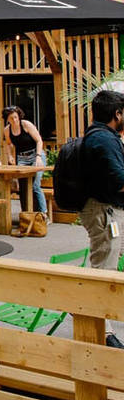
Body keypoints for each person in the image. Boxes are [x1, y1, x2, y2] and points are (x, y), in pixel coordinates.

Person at [76, 90, 124, 349]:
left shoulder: (102, 136)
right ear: (117, 114)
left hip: (107, 211)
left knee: (108, 264)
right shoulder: (103, 140)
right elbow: (119, 180)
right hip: (104, 212)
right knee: (104, 270)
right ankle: (101, 332)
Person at [1, 105, 48, 215]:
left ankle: (43, 213)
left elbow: (39, 140)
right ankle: (26, 213)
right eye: (11, 118)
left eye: (15, 117)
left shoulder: (26, 125)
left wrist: (38, 156)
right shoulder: (7, 130)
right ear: (7, 119)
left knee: (35, 185)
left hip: (35, 154)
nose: (14, 120)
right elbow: (8, 144)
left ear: (19, 116)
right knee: (23, 187)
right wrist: (9, 156)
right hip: (22, 158)